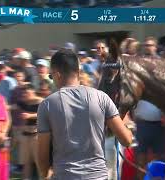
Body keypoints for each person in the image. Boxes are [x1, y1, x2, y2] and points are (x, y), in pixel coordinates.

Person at [37, 50, 133, 179]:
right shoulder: (101, 97)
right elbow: (126, 140)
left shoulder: (46, 105)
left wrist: (44, 174)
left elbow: (42, 153)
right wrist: (129, 130)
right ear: (78, 72)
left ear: (57, 74)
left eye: (51, 76)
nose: (52, 80)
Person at [17, 84, 43, 179]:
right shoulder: (24, 102)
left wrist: (30, 115)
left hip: (36, 135)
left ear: (32, 91)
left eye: (26, 92)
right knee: (26, 163)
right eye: (23, 93)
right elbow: (11, 107)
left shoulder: (41, 101)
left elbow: (45, 114)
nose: (24, 94)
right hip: (25, 135)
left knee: (40, 162)